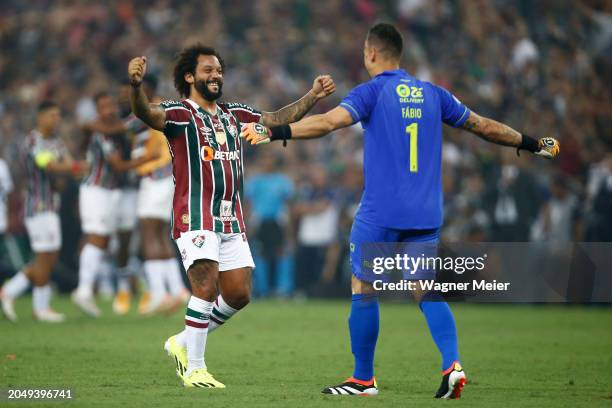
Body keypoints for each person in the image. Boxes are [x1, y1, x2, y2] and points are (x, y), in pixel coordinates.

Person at [241, 23, 560, 398]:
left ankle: (363, 379)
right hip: (426, 214)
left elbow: (329, 123)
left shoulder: (372, 92)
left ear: (372, 53)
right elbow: (483, 126)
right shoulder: (434, 94)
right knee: (424, 287)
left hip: (381, 213)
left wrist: (276, 133)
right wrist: (533, 143)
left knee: (364, 286)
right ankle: (451, 363)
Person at [127, 44, 335, 388]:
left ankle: (182, 340)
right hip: (194, 215)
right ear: (190, 76)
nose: (216, 75)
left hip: (231, 218)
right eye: (208, 70)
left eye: (219, 70)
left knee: (239, 294)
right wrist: (136, 87)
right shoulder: (179, 112)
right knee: (205, 287)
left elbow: (278, 119)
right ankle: (194, 368)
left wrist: (312, 95)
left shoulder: (234, 113)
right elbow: (145, 114)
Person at [1, 101, 87, 322]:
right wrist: (77, 167)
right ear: (40, 117)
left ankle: (15, 293)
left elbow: (67, 165)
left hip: (51, 204)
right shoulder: (32, 141)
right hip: (37, 205)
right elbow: (47, 166)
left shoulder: (56, 142)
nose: (56, 119)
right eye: (51, 115)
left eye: (58, 115)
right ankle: (33, 304)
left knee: (49, 255)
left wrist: (73, 168)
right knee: (44, 256)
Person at [72, 92, 156, 317]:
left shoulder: (108, 128)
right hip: (96, 189)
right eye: (103, 107)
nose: (109, 110)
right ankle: (84, 289)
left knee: (105, 238)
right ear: (97, 110)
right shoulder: (101, 132)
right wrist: (149, 159)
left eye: (111, 105)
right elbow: (117, 165)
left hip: (110, 191)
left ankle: (89, 289)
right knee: (97, 237)